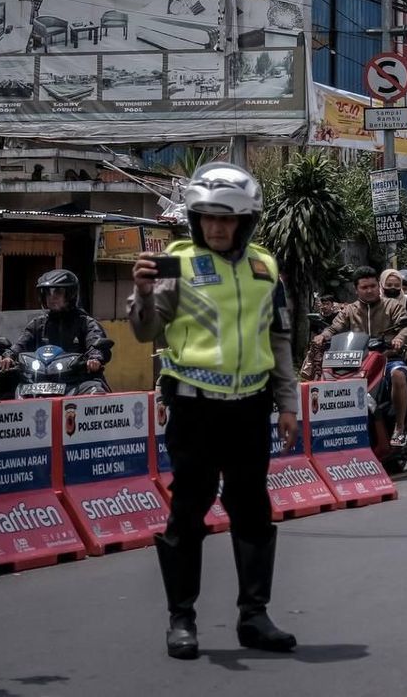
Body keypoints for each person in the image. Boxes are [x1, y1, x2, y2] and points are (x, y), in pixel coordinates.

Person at [129, 162, 297, 660]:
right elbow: (144, 331)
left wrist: (288, 404)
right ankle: (181, 618)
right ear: (195, 219)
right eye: (207, 218)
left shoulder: (266, 267)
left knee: (252, 510)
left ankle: (254, 615)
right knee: (188, 510)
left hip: (251, 408)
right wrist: (140, 292)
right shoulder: (174, 262)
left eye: (227, 219)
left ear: (246, 222)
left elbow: (280, 339)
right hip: (193, 408)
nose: (217, 227)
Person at [319, 266, 407, 446]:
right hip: (357, 362)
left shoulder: (392, 306)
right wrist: (322, 336)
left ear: (378, 287)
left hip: (388, 358)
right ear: (356, 290)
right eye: (364, 287)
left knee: (398, 374)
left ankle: (400, 428)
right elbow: (334, 329)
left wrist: (399, 340)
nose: (369, 290)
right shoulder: (349, 311)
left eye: (372, 286)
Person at [7, 269, 111, 394]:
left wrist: (95, 358)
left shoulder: (86, 323)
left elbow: (96, 341)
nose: (52, 297)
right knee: (7, 386)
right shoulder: (38, 323)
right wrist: (9, 356)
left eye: (58, 292)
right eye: (48, 293)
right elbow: (21, 343)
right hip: (38, 380)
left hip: (78, 380)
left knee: (95, 390)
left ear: (70, 295)